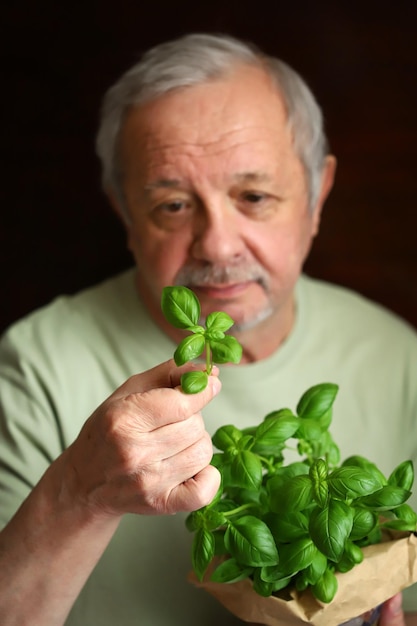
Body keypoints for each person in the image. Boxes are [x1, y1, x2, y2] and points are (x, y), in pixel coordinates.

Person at [0, 32, 416, 626]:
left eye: (253, 196)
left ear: (318, 196)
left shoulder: (398, 356)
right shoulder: (34, 364)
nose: (217, 243)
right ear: (125, 212)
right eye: (172, 205)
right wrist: (78, 493)